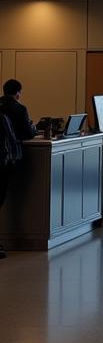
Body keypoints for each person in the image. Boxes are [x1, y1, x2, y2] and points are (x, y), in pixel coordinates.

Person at [0, 79, 37, 260]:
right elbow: (27, 133)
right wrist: (33, 127)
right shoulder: (19, 109)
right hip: (6, 161)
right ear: (18, 93)